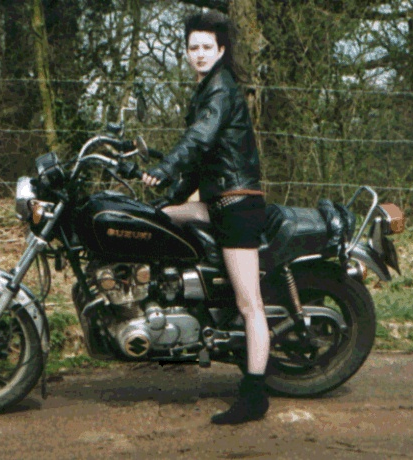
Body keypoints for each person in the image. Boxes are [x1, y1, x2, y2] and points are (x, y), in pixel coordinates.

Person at [142, 11, 270, 425]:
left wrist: (166, 167)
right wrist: (167, 193)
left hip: (236, 204)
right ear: (186, 51)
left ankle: (254, 394)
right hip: (217, 200)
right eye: (192, 47)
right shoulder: (205, 89)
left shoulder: (220, 88)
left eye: (206, 47)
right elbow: (200, 163)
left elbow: (199, 140)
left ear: (220, 49)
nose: (199, 53)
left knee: (249, 303)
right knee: (158, 218)